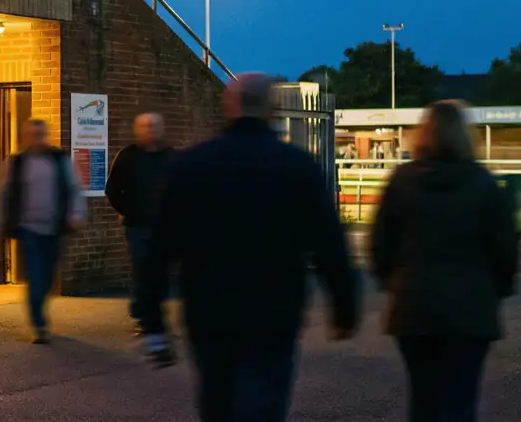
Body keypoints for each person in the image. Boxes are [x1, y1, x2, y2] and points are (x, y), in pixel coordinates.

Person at [138, 72, 359, 422]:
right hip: (273, 313)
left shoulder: (190, 166)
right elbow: (329, 242)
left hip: (209, 311)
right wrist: (345, 308)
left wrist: (152, 321)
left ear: (229, 106)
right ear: (272, 110)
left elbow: (158, 249)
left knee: (217, 403)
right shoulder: (296, 166)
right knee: (264, 404)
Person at [370, 100, 519, 422]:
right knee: (460, 401)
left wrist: (392, 283)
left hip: (414, 309)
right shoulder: (483, 183)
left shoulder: (402, 181)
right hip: (470, 311)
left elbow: (380, 244)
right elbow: (505, 249)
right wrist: (498, 289)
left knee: (423, 398)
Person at [0, 117, 87, 344]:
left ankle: (39, 309)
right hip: (28, 229)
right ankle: (39, 324)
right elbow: (1, 194)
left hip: (54, 228)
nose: (37, 139)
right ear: (26, 137)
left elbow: (75, 188)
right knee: (35, 275)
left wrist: (77, 214)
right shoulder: (16, 163)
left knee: (47, 277)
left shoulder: (59, 160)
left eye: (41, 135)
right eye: (32, 135)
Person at [107, 111, 172, 330]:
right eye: (145, 127)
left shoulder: (170, 156)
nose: (150, 131)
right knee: (143, 266)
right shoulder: (129, 155)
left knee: (160, 270)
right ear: (138, 130)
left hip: (165, 225)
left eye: (154, 126)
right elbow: (113, 189)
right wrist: (127, 210)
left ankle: (149, 308)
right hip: (137, 224)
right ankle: (143, 313)